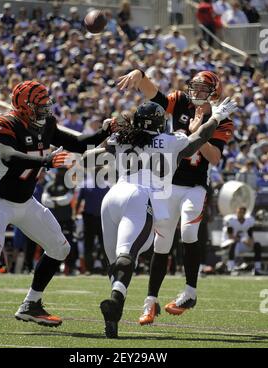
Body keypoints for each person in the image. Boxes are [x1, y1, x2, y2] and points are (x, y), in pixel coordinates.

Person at [0, 80, 114, 334]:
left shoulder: (45, 124)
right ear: (24, 106)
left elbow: (78, 143)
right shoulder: (4, 124)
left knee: (60, 248)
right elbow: (8, 156)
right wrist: (47, 160)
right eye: (40, 106)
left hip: (25, 202)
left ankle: (31, 304)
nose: (45, 110)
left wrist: (105, 130)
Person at [90, 99, 236, 338]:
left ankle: (115, 309)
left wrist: (62, 158)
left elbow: (93, 157)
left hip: (112, 196)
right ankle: (116, 302)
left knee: (115, 262)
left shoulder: (121, 138)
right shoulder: (170, 141)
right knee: (127, 255)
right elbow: (198, 140)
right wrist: (216, 117)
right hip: (139, 196)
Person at [117, 69, 234, 323]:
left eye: (203, 89)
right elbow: (154, 95)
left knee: (190, 232)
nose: (196, 92)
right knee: (162, 243)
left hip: (195, 186)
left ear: (214, 92)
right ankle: (150, 302)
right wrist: (140, 74)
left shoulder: (221, 117)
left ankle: (190, 291)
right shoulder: (181, 100)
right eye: (196, 86)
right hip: (168, 184)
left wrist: (199, 133)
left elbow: (214, 158)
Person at [221, 206, 263, 275]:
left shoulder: (248, 221)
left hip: (243, 244)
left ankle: (257, 268)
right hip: (230, 243)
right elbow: (230, 236)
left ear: (244, 213)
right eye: (238, 212)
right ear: (236, 212)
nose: (240, 214)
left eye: (242, 212)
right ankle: (230, 267)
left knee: (257, 244)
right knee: (233, 243)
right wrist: (243, 240)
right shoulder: (231, 220)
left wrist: (251, 242)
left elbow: (250, 235)